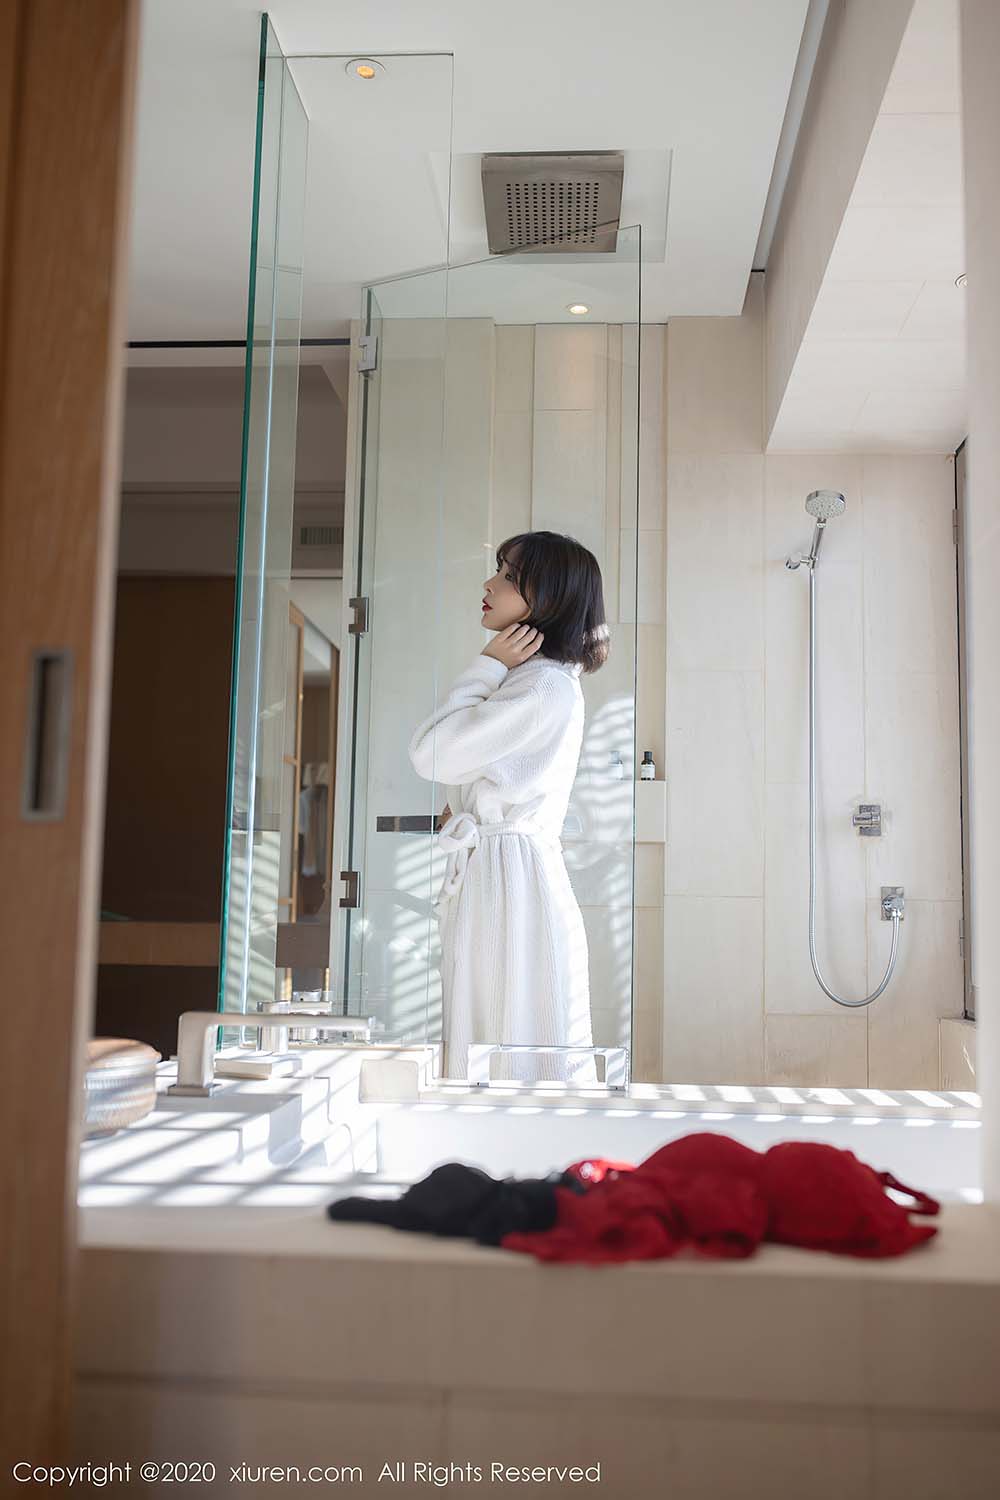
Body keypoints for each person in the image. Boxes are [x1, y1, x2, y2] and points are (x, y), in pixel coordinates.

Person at [407, 530, 609, 1085]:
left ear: (550, 598)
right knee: (496, 1028)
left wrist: (486, 665)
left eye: (510, 577)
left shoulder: (541, 685)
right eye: (499, 570)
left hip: (512, 881)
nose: (489, 584)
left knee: (510, 1031)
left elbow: (431, 754)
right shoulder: (533, 682)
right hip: (501, 873)